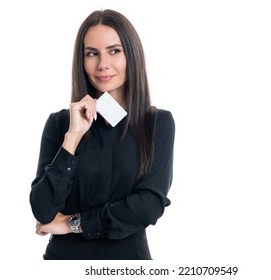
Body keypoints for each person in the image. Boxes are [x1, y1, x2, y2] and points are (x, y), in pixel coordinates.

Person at [29, 9, 175, 260]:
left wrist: (71, 224)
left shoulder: (156, 123)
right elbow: (42, 210)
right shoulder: (60, 123)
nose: (102, 64)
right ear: (82, 61)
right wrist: (73, 136)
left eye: (114, 51)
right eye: (91, 53)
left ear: (131, 55)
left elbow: (148, 207)